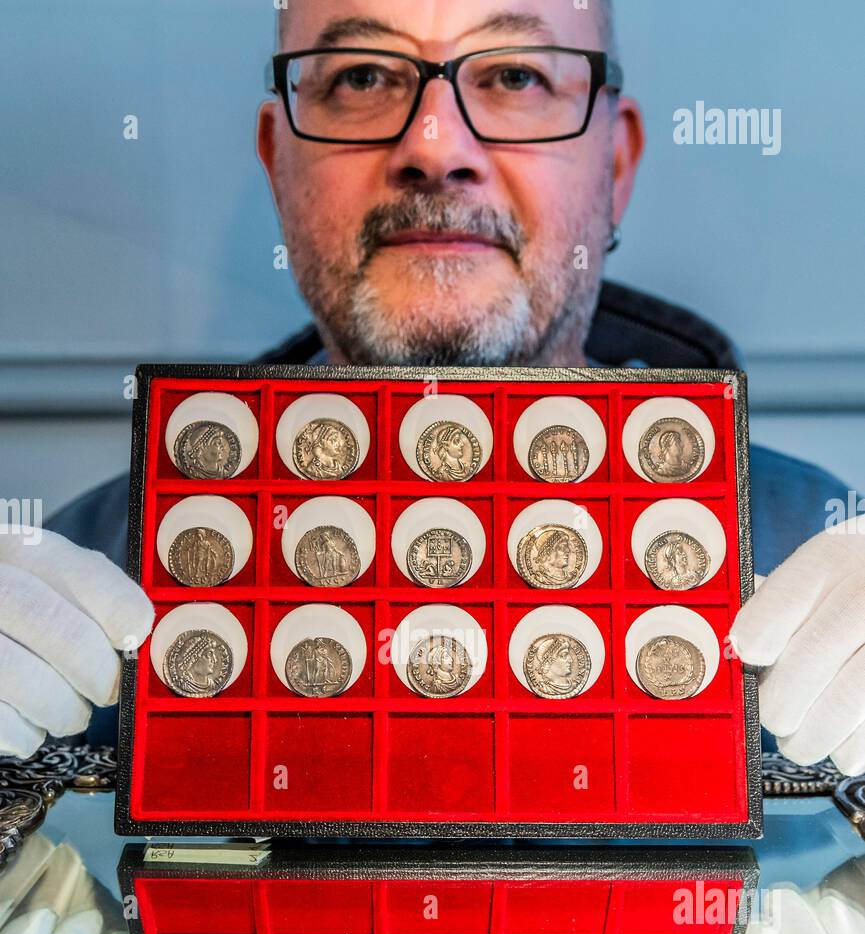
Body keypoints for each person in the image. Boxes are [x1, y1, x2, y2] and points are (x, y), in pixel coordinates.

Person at [2, 0, 863, 772]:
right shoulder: (90, 560)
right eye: (364, 76)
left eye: (514, 76)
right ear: (277, 164)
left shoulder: (815, 543)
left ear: (616, 166)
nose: (434, 147)